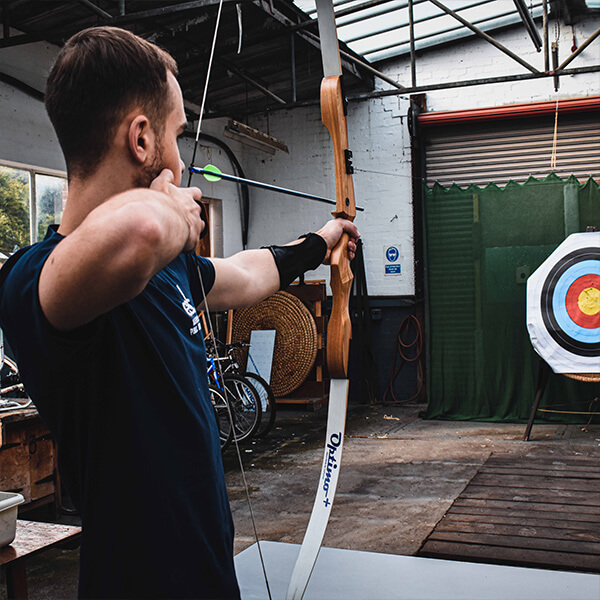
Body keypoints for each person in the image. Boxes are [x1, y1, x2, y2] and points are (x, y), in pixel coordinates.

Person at [0, 26, 359, 600]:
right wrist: (174, 212)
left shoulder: (166, 268)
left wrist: (322, 240)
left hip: (208, 573)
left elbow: (247, 273)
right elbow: (142, 230)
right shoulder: (34, 281)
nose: (179, 156)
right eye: (176, 135)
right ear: (141, 140)